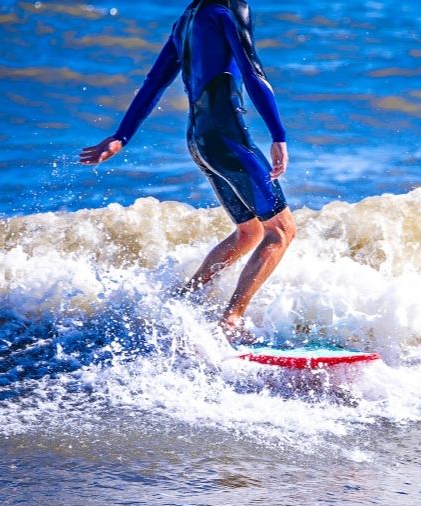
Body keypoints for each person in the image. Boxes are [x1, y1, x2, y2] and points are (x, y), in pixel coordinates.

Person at [79, 0, 296, 343]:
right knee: (281, 231)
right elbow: (252, 71)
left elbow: (153, 83)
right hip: (228, 139)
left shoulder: (186, 21)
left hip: (200, 142)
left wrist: (122, 136)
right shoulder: (228, 11)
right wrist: (278, 134)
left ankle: (178, 305)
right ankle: (232, 320)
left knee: (249, 233)